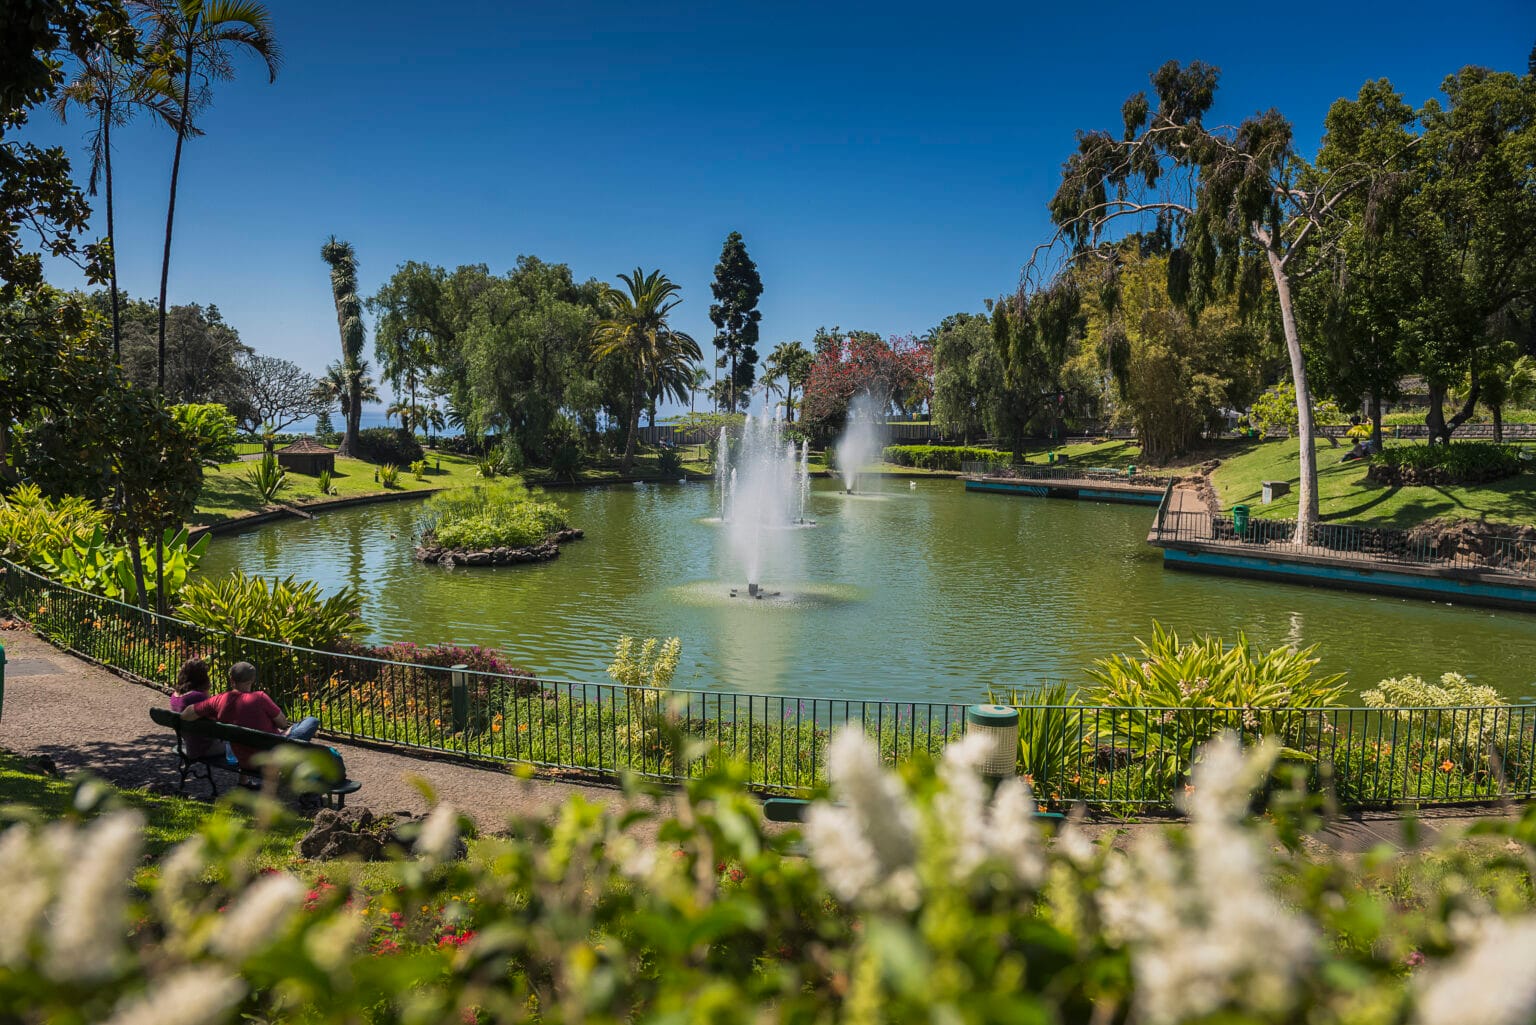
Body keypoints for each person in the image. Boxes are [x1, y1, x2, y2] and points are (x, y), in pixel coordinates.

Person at [180, 661, 321, 767]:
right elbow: (282, 723)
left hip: (241, 756)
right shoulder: (260, 697)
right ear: (252, 680)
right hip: (271, 754)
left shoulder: (219, 699)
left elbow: (185, 715)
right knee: (311, 721)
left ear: (231, 680)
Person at [169, 658, 225, 762]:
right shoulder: (198, 697)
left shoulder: (174, 696)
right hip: (205, 747)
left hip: (188, 744)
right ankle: (243, 778)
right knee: (238, 744)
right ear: (202, 677)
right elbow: (216, 718)